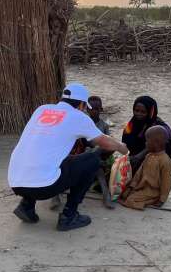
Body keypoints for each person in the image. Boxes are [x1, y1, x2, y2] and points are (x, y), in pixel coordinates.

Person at [8, 84, 128, 231]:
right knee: (92, 161)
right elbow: (104, 142)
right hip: (43, 187)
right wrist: (122, 147)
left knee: (48, 158)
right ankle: (69, 215)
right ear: (82, 104)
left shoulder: (41, 109)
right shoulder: (78, 116)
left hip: (15, 182)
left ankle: (26, 205)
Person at [56, 95, 114, 209]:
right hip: (81, 155)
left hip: (97, 155)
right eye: (91, 109)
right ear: (87, 109)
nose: (94, 111)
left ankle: (106, 195)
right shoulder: (83, 123)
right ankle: (55, 196)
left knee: (99, 170)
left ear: (101, 109)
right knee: (61, 170)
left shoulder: (104, 126)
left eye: (96, 109)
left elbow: (108, 143)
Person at [119, 125, 171, 210]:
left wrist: (162, 199)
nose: (145, 143)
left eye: (147, 141)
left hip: (153, 191)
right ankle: (142, 198)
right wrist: (132, 186)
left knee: (131, 200)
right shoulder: (149, 156)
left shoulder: (165, 161)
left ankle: (151, 200)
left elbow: (166, 182)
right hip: (141, 186)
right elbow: (139, 173)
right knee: (124, 194)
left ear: (156, 143)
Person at [122, 96, 171, 171]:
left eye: (143, 112)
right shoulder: (132, 124)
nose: (138, 114)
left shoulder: (158, 126)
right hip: (134, 161)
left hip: (155, 164)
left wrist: (139, 156)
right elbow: (125, 143)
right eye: (136, 110)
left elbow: (165, 136)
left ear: (150, 113)